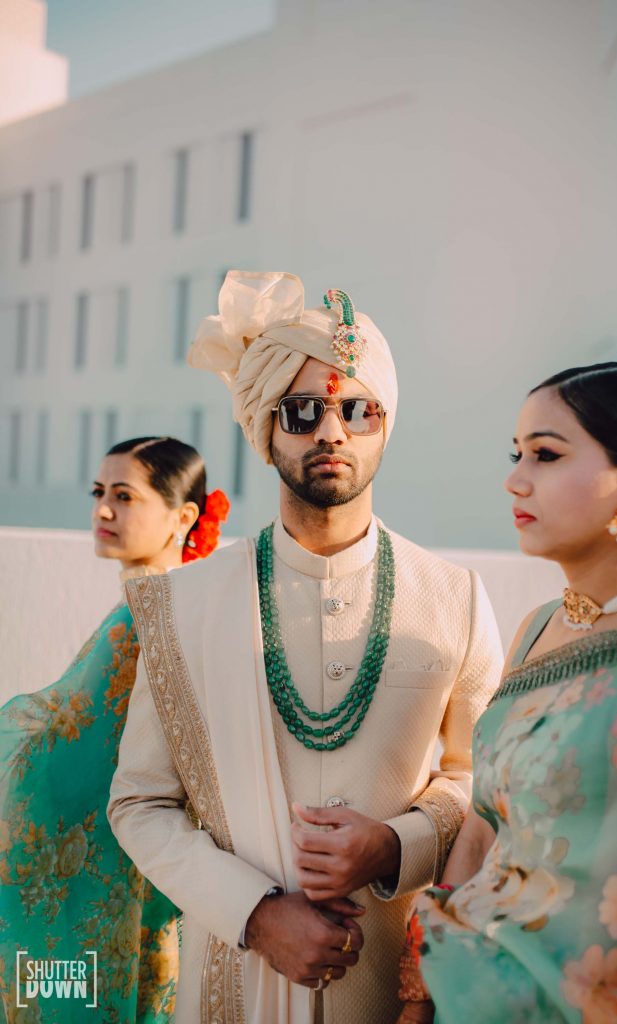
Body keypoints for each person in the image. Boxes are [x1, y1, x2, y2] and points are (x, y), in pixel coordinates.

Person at [107, 270, 504, 1024]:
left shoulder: (452, 596)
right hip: (230, 977)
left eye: (358, 410)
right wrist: (255, 914)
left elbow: (478, 781)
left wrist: (394, 844)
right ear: (265, 429)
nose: (332, 431)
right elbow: (140, 802)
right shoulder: (180, 604)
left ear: (385, 426)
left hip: (392, 990)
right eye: (302, 410)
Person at [398, 361, 617, 1024]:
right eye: (516, 454)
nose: (514, 479)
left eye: (546, 455)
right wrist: (421, 979)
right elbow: (483, 821)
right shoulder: (537, 628)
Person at [0, 436, 229, 1023]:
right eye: (99, 492)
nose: (102, 510)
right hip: (144, 862)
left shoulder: (149, 611)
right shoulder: (167, 602)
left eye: (124, 496)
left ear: (183, 517)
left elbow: (68, 749)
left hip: (118, 859)